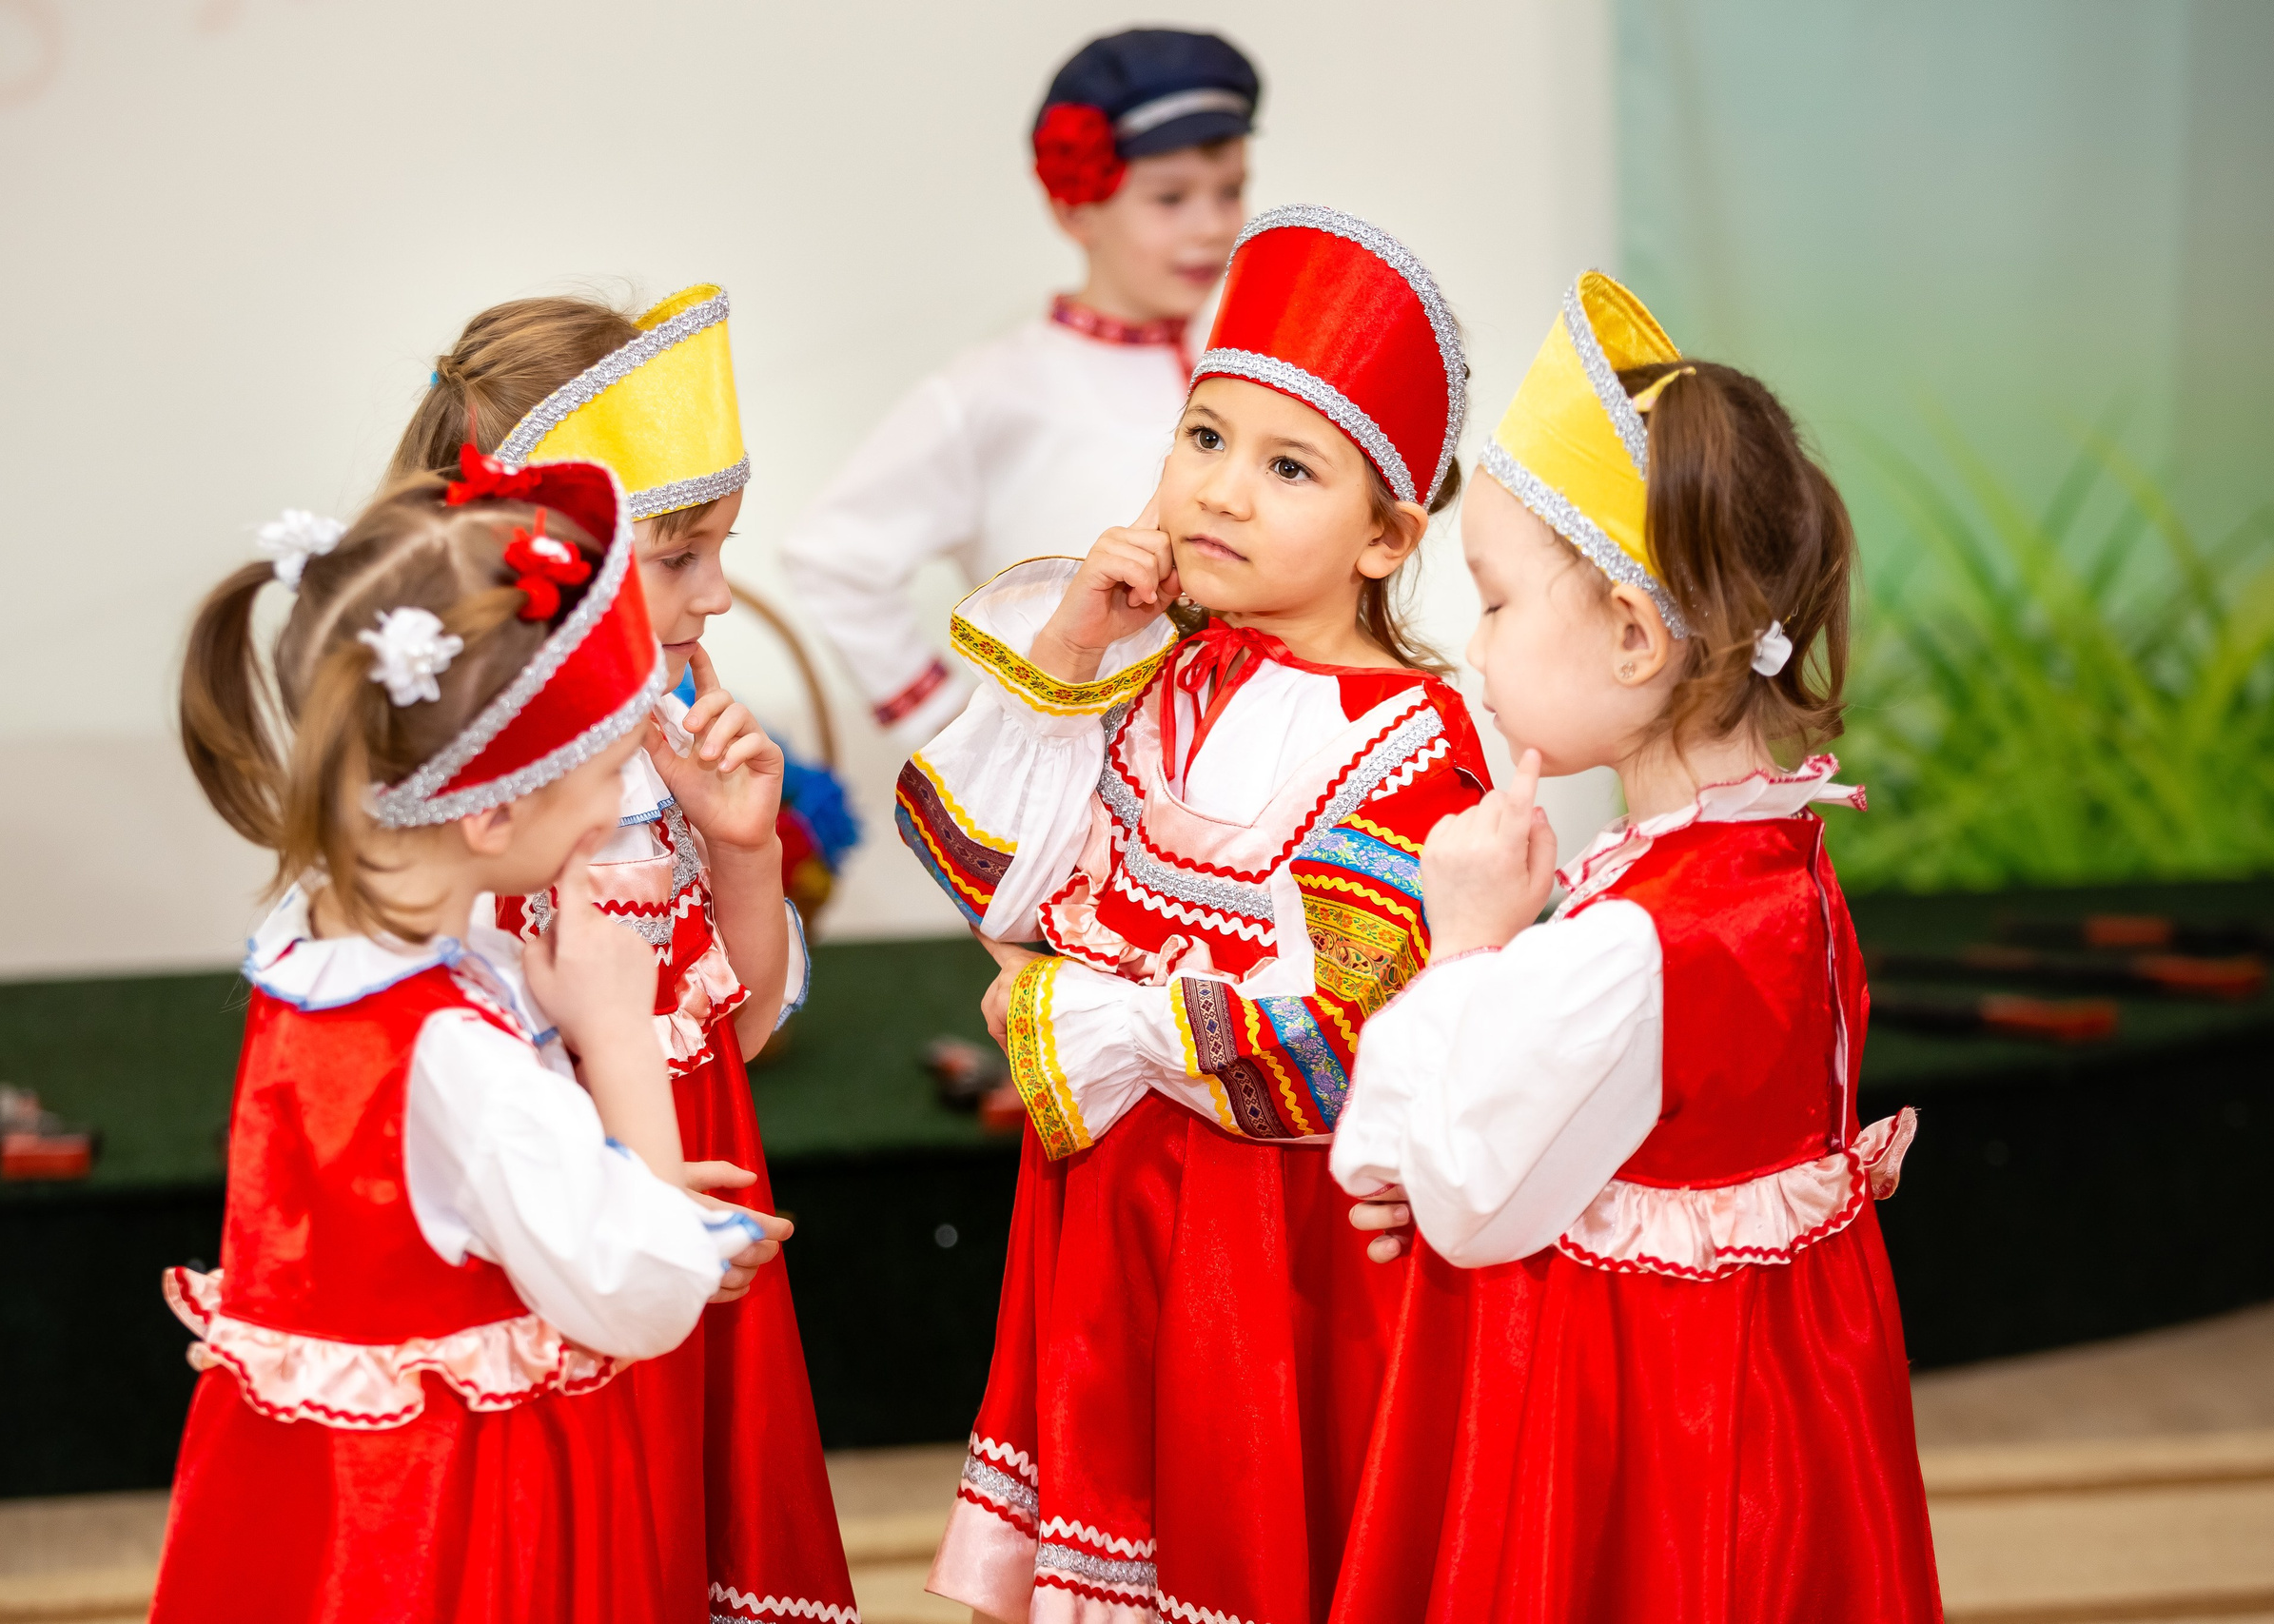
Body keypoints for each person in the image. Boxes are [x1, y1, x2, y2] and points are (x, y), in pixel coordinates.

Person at [895, 206, 1486, 1624]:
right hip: (1107, 1208)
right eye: (1204, 438)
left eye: (1289, 467)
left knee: (1246, 1542)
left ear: (1388, 537)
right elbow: (994, 873)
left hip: (1264, 1243)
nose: (1220, 491)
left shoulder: (1413, 740)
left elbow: (1333, 1039)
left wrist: (1070, 1006)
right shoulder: (1155, 676)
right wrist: (1075, 645)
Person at [1326, 272, 1943, 1622]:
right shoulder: (1783, 863)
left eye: (1494, 602)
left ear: (1629, 632)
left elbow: (1453, 1194)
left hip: (1644, 1452)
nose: (1472, 645)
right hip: (1774, 1430)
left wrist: (1465, 943)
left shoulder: (1625, 945)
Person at [151, 458, 791, 1623]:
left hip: (334, 1519)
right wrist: (617, 1038)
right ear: (492, 811)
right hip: (453, 1534)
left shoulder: (309, 952)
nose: (615, 809)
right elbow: (635, 1291)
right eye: (606, 774)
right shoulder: (461, 1053)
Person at [390, 286, 855, 1624]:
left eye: (720, 549)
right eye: (679, 555)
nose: (718, 594)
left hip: (688, 1203)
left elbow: (739, 1029)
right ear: (536, 560)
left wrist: (746, 850)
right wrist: (641, 1192)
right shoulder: (479, 800)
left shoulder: (666, 729)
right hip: (563, 1248)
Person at [779, 28, 1260, 749]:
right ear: (1074, 209)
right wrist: (956, 730)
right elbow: (831, 555)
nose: (1213, 226)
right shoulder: (1000, 386)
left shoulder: (1246, 362)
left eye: (1230, 191)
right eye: (1170, 197)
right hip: (1073, 773)